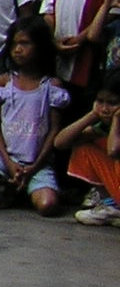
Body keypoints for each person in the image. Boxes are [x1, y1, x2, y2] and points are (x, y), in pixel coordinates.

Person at [0, 14, 69, 213]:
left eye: (25, 44)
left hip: (37, 161)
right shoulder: (4, 83)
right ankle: (6, 182)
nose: (18, 50)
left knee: (48, 205)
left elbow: (54, 130)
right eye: (14, 44)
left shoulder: (51, 87)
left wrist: (35, 166)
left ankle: (25, 188)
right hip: (5, 158)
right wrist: (8, 163)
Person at [60, 69, 120, 223]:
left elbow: (114, 151)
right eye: (100, 101)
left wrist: (117, 120)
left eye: (112, 103)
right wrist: (92, 115)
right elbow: (60, 142)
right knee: (82, 147)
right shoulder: (102, 125)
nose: (105, 109)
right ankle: (111, 206)